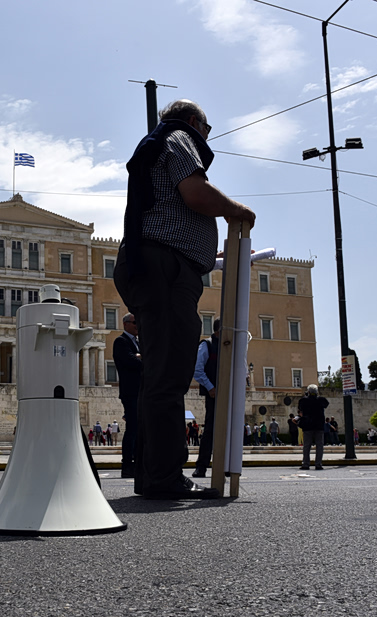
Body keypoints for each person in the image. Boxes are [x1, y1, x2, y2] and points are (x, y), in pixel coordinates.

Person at [113, 99, 255, 500]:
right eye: (207, 130)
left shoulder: (160, 142)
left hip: (159, 265)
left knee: (162, 373)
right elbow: (195, 192)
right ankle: (163, 477)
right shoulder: (179, 137)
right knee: (170, 376)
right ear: (196, 123)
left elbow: (175, 213)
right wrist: (235, 211)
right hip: (164, 270)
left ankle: (155, 474)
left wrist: (206, 253)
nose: (207, 138)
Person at [113, 312, 142, 478]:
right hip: (130, 392)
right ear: (125, 324)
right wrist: (139, 357)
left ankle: (137, 462)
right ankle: (127, 465)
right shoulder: (121, 341)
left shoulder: (138, 342)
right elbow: (132, 362)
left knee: (138, 429)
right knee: (132, 429)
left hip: (139, 391)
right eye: (134, 322)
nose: (137, 325)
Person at [192, 318, 221, 478]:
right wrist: (211, 388)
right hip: (214, 395)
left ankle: (227, 466)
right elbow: (197, 370)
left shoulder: (230, 346)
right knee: (209, 431)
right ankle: (201, 466)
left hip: (227, 395)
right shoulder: (207, 345)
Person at [298, 384, 329, 470]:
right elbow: (326, 404)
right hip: (319, 426)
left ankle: (306, 463)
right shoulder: (321, 400)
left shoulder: (303, 400)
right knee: (319, 445)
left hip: (307, 426)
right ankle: (318, 464)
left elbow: (300, 408)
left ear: (308, 392)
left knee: (307, 446)